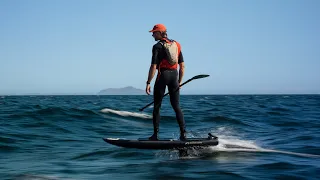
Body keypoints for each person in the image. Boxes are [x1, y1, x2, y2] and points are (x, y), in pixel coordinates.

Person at [145, 24, 186, 141]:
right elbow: (182, 66)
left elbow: (153, 66)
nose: (152, 35)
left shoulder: (157, 46)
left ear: (159, 33)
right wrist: (179, 82)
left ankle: (155, 135)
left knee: (157, 107)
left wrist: (148, 82)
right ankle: (183, 134)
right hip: (174, 76)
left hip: (162, 76)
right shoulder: (176, 45)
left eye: (154, 32)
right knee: (176, 106)